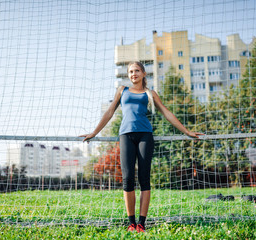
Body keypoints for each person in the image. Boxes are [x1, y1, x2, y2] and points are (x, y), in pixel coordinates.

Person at [80, 61, 203, 233]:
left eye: (137, 71)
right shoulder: (122, 90)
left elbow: (166, 112)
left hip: (145, 135)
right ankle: (131, 222)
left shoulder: (149, 93)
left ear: (144, 73)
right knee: (128, 178)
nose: (133, 74)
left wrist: (186, 130)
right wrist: (94, 132)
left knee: (144, 178)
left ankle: (141, 224)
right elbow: (109, 112)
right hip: (126, 136)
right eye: (130, 71)